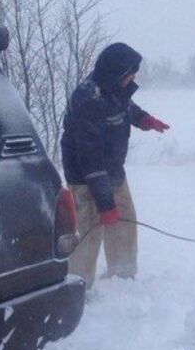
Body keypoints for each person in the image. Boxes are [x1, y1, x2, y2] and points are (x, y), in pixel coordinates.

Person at [61, 43, 170, 288]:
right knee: (89, 229)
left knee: (124, 220)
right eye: (131, 73)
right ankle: (79, 285)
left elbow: (125, 106)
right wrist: (105, 203)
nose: (134, 77)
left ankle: (122, 277)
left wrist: (144, 119)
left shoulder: (114, 89)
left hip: (112, 170)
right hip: (84, 176)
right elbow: (90, 159)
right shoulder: (88, 100)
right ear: (116, 73)